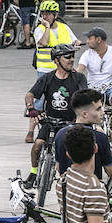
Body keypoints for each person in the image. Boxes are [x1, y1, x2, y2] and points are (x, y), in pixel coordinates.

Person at [25, 44, 86, 174]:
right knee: (37, 145)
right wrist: (31, 109)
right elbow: (30, 95)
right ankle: (33, 172)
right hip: (50, 121)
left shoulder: (79, 78)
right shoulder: (47, 78)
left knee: (69, 153)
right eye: (67, 57)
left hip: (70, 124)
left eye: (73, 57)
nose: (71, 60)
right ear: (56, 60)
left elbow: (84, 97)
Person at [76, 27, 112, 143]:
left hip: (110, 87)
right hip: (92, 88)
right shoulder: (87, 54)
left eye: (89, 38)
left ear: (98, 40)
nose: (87, 41)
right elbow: (80, 69)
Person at [53, 89, 112, 179]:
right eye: (98, 109)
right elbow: (111, 171)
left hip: (67, 189)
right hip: (92, 189)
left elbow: (59, 167)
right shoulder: (99, 137)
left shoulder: (60, 134)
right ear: (85, 114)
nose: (103, 112)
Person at [33, 1, 75, 76]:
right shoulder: (39, 29)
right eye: (43, 14)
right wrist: (47, 26)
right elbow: (44, 42)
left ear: (55, 15)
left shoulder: (64, 27)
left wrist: (76, 43)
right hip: (45, 71)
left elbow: (75, 41)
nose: (44, 17)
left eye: (48, 14)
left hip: (63, 69)